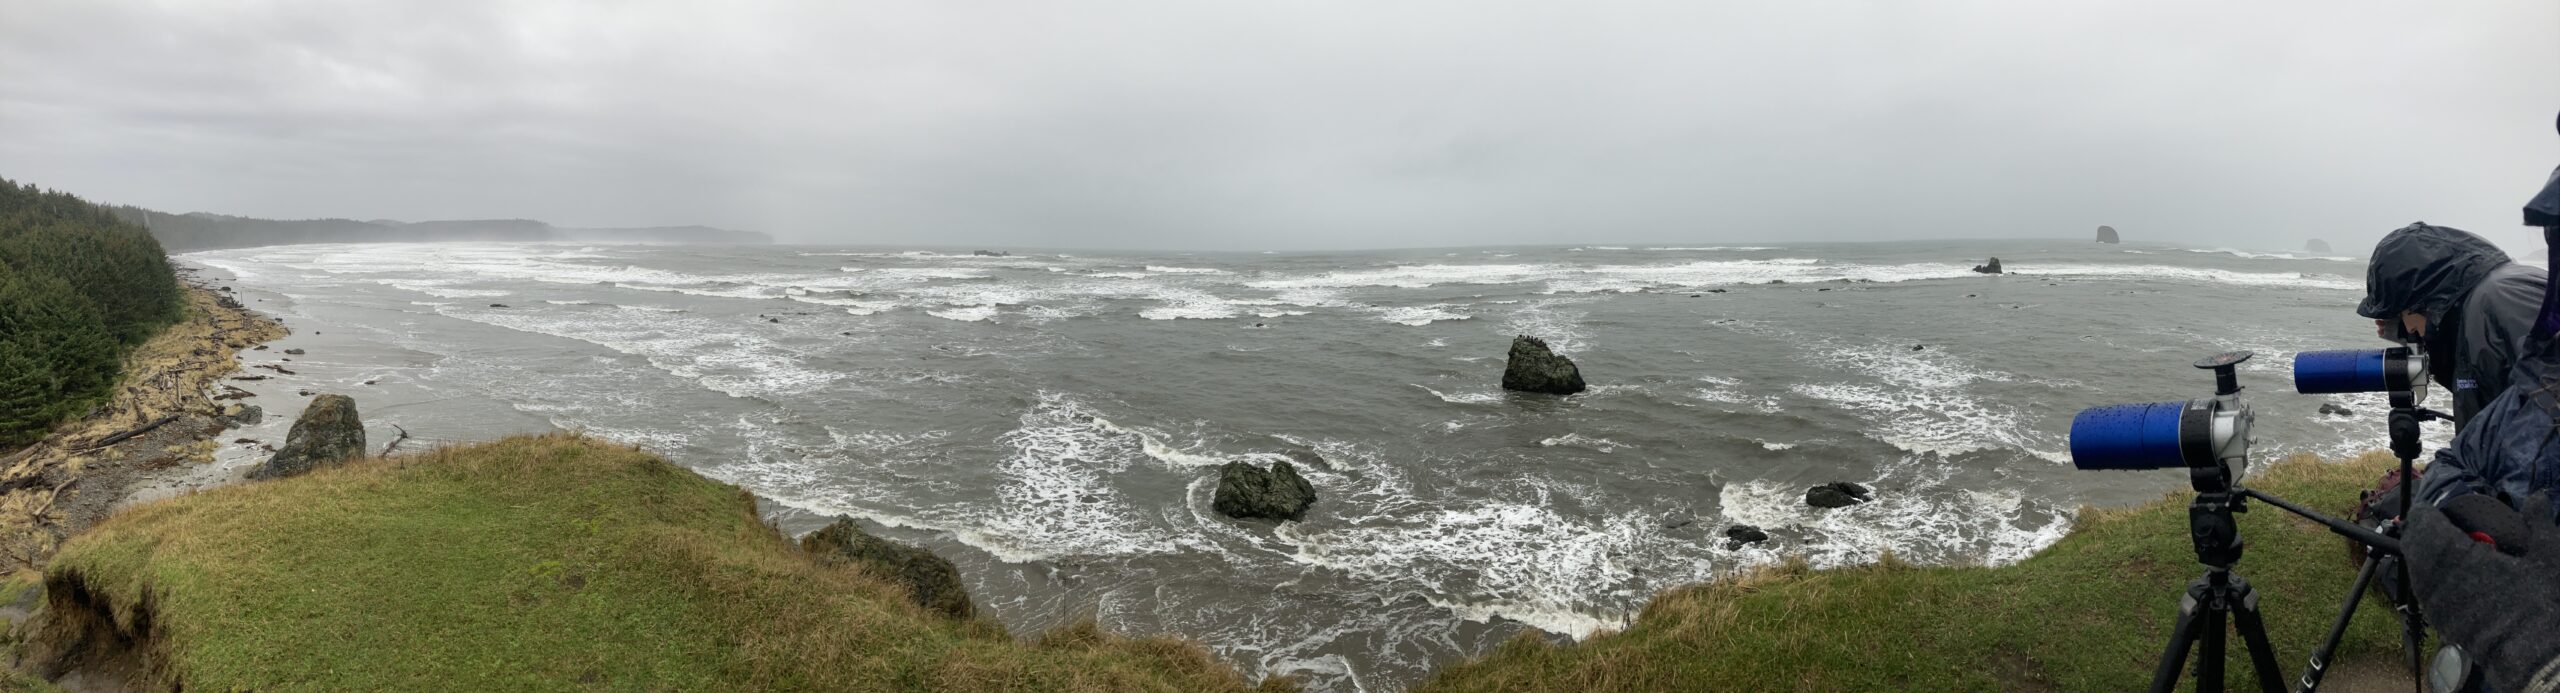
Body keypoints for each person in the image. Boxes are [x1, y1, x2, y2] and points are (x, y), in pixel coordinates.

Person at [2402, 118, 2560, 693]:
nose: (2405, 335)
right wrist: (2456, 498)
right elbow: (2481, 449)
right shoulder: (2531, 372)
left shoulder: (2496, 301)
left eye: (2402, 321)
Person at [2357, 222, 2548, 428]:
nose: (2409, 328)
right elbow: (2481, 392)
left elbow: (2545, 414)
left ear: (2418, 300)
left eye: (2400, 314)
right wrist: (2419, 335)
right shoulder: (2477, 309)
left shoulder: (2503, 300)